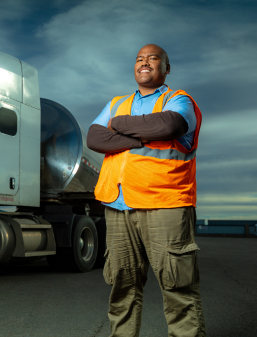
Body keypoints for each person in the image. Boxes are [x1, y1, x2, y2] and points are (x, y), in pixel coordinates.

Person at [87, 44, 206, 337]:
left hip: (165, 204)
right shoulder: (117, 102)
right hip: (118, 205)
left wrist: (118, 126)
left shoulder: (179, 100)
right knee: (122, 286)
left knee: (178, 288)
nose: (145, 62)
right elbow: (94, 137)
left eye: (153, 58)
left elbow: (169, 125)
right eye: (140, 58)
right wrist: (140, 139)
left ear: (166, 68)